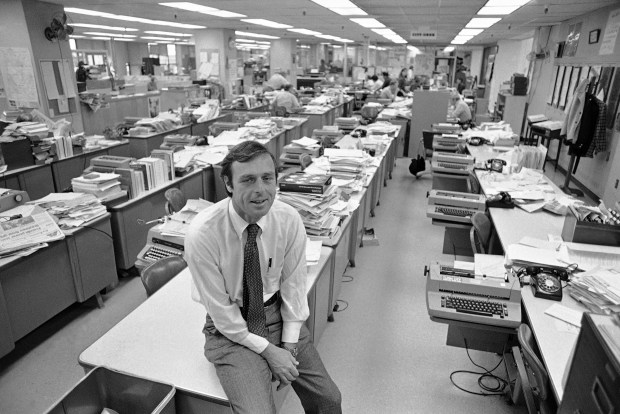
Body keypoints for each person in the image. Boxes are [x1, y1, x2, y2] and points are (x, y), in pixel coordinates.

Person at [185, 141, 342, 414]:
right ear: (229, 183)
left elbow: (293, 289)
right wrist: (271, 352)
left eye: (267, 178)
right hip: (230, 328)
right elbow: (222, 313)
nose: (261, 190)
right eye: (248, 180)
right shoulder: (204, 233)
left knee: (329, 400)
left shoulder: (288, 220)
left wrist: (289, 347)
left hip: (278, 314)